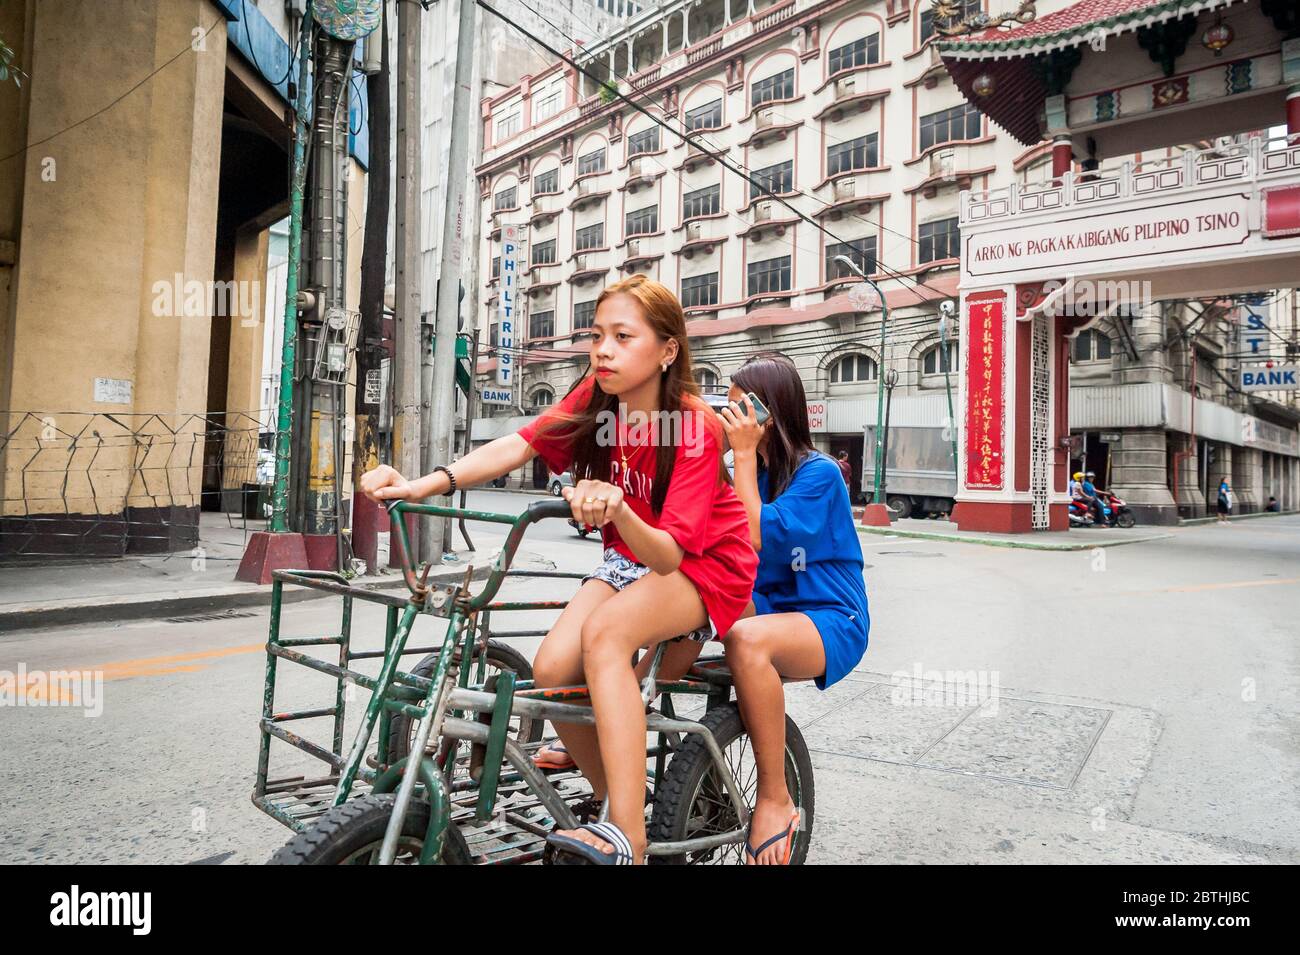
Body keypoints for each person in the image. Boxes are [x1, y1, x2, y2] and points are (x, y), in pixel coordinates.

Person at [359, 275, 758, 864]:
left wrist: (619, 508)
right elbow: (519, 445)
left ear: (668, 350)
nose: (603, 350)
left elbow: (672, 554)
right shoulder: (595, 402)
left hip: (708, 566)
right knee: (550, 668)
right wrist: (420, 484)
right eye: (598, 335)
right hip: (631, 558)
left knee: (607, 636)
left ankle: (629, 835)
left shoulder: (694, 425)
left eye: (623, 337)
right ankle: (615, 800)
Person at [717, 353, 870, 864]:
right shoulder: (747, 474)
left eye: (742, 408)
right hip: (766, 607)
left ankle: (776, 798)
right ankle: (611, 737)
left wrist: (739, 458)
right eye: (729, 408)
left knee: (746, 641)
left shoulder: (820, 473)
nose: (731, 418)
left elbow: (757, 534)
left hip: (828, 616)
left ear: (771, 413)